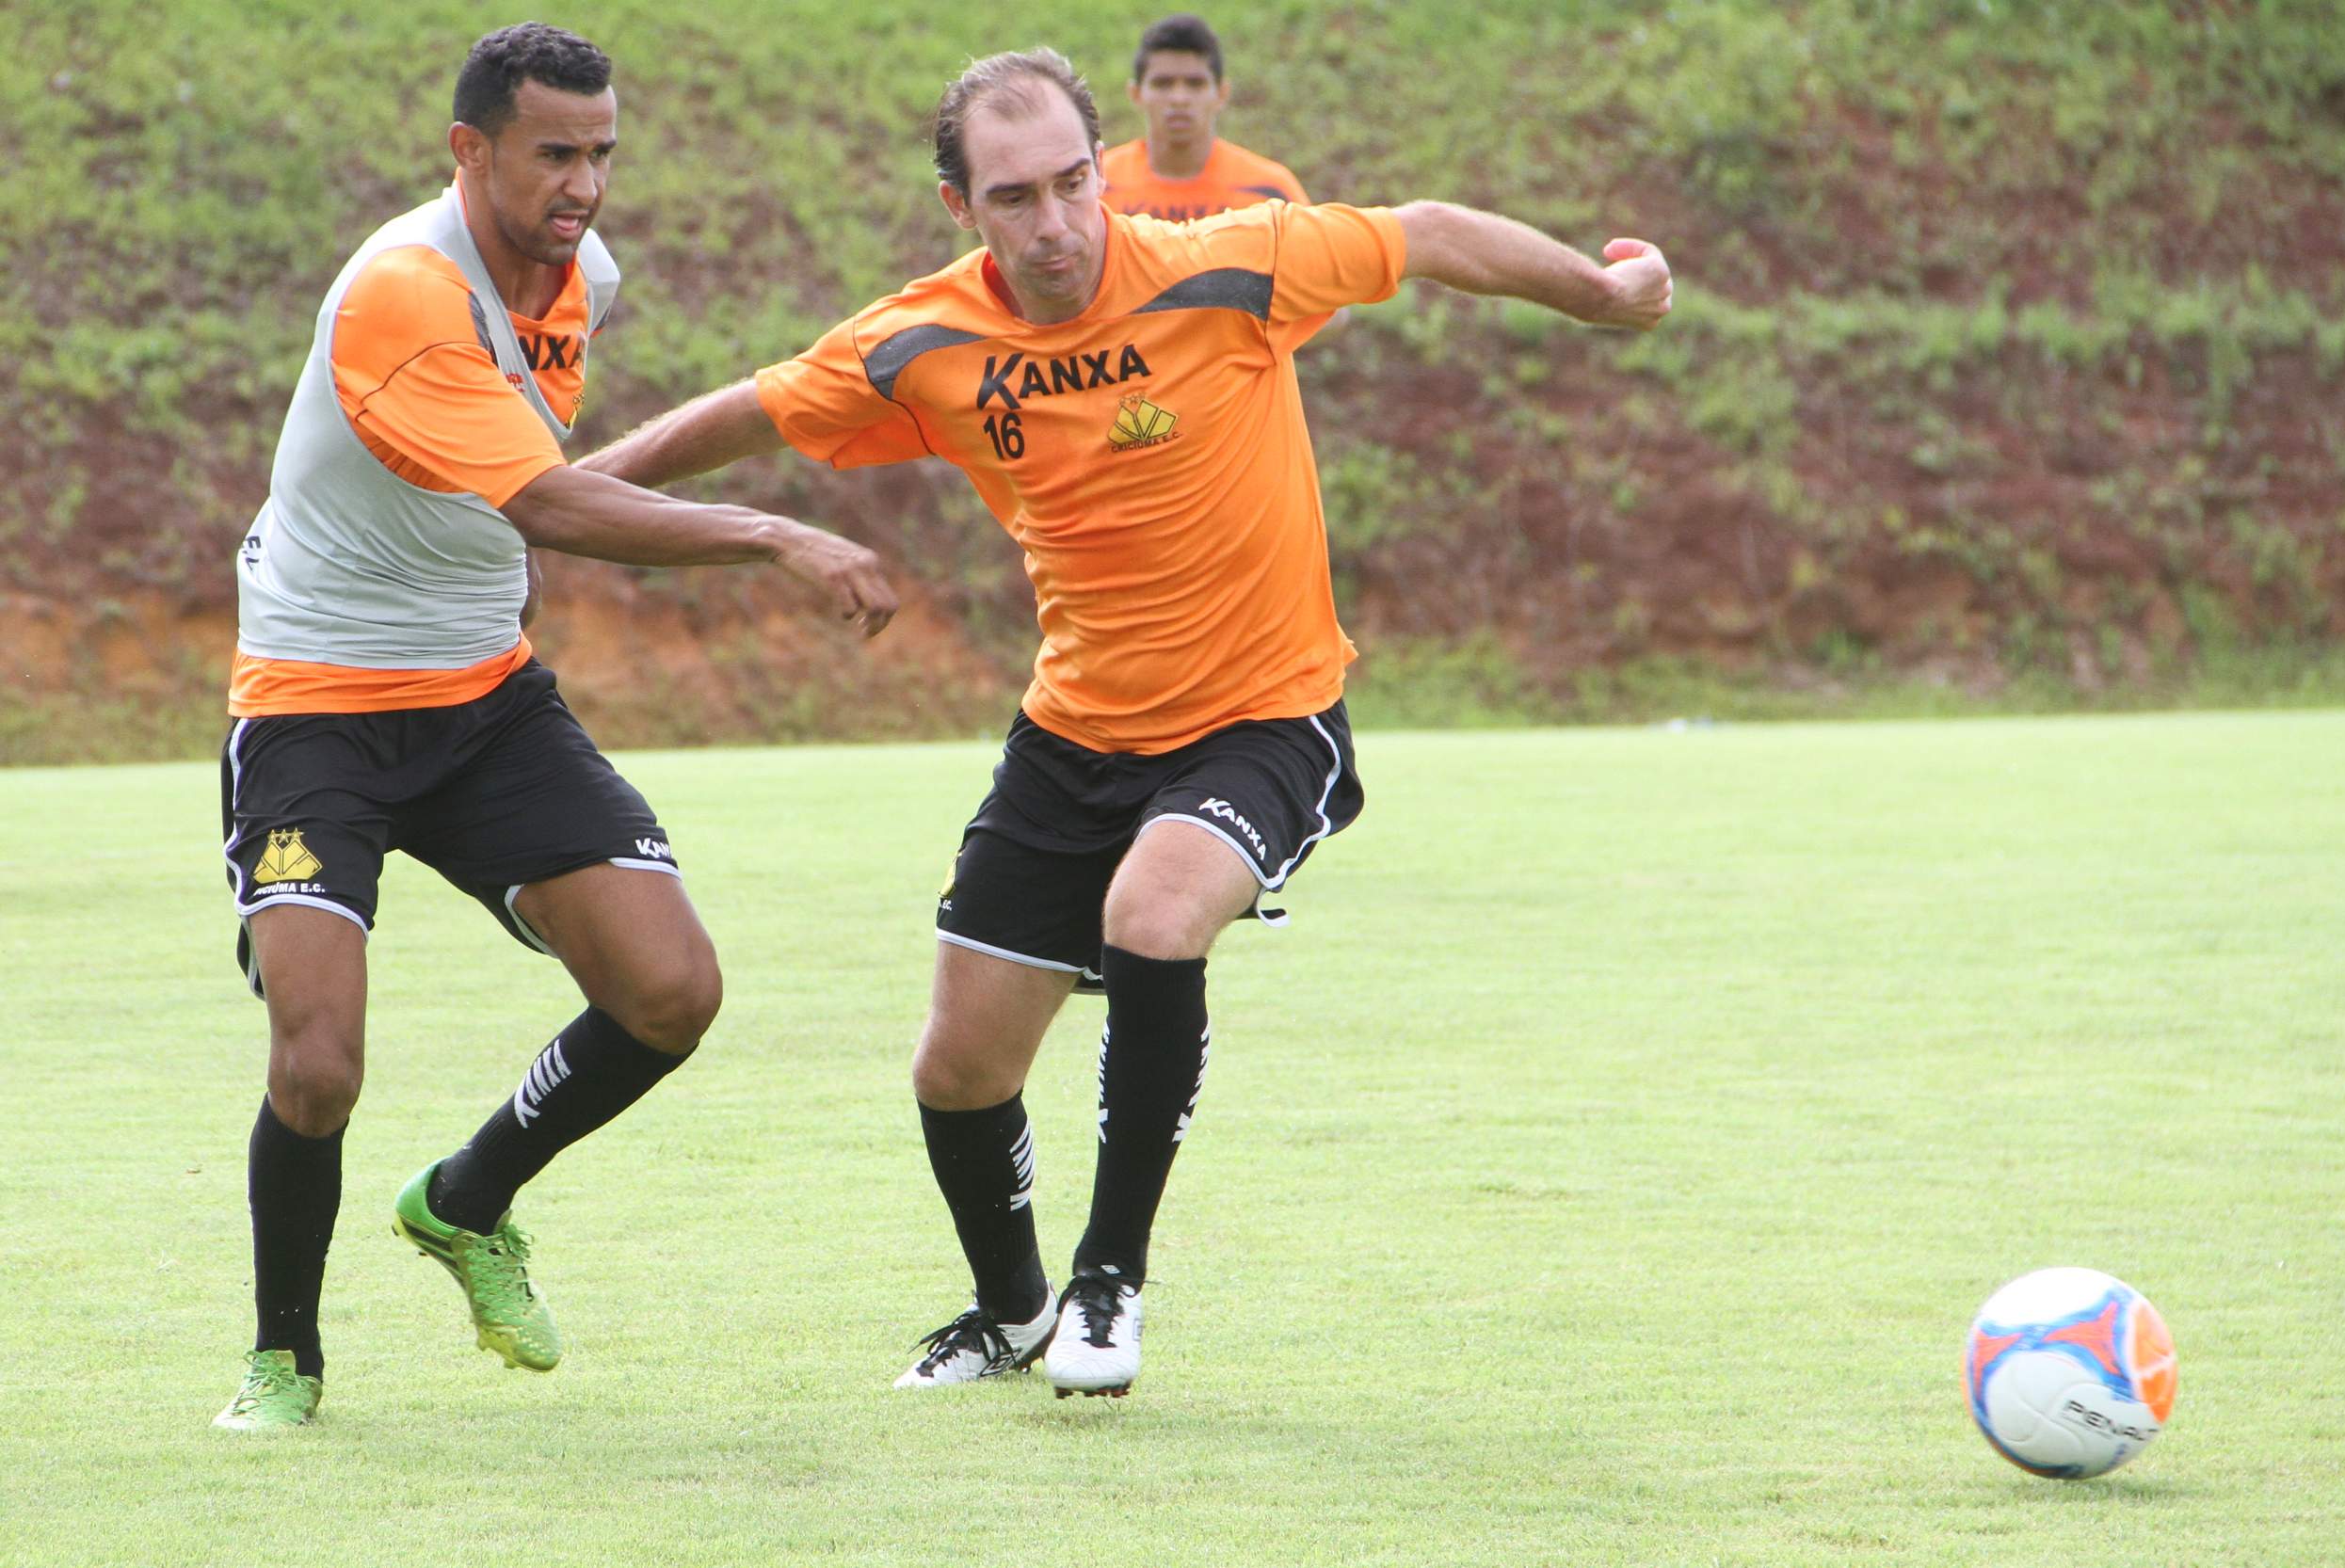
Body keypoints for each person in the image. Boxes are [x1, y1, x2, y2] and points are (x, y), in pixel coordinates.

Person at [581, 47, 1670, 1399]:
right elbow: (756, 409)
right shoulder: (921, 342)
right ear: (959, 208)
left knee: (1153, 916)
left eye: (1071, 184)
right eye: (1014, 198)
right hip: (1076, 731)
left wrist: (1604, 292)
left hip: (1264, 715)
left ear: (1103, 171)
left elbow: (1431, 234)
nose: (1053, 224)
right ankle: (1010, 1307)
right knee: (958, 1069)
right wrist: (555, 491)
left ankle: (1110, 1279)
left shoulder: (1233, 264)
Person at [212, 22, 895, 1431]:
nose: (585, 185)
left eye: (602, 153)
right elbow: (547, 502)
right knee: (319, 1055)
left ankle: (466, 1201)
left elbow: (533, 474)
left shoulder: (581, 272)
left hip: (485, 697)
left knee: (673, 990)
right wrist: (771, 532)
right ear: (469, 152)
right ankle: (285, 1354)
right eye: (554, 153)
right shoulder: (402, 292)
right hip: (317, 708)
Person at [1100, 14, 1308, 222]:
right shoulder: (1098, 188)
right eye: (1162, 83)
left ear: (1222, 93)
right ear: (1136, 93)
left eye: (1195, 83)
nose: (1179, 98)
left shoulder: (1270, 192)